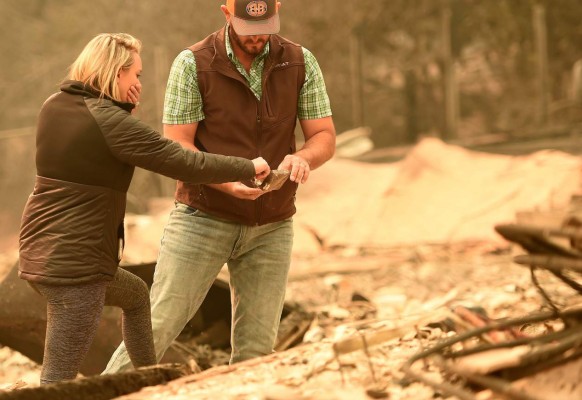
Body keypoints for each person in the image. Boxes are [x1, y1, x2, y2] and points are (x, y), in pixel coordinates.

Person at [18, 32, 270, 385]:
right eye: (135, 75)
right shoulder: (110, 121)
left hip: (39, 252)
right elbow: (183, 162)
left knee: (136, 296)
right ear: (116, 73)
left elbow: (96, 146)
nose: (138, 82)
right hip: (77, 266)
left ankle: (150, 381)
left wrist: (122, 109)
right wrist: (247, 166)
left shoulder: (55, 106)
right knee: (57, 380)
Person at [104, 0, 336, 373]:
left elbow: (323, 135)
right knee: (157, 326)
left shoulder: (300, 61)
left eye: (267, 25)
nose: (258, 36)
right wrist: (225, 182)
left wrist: (303, 159)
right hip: (202, 217)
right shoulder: (192, 63)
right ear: (226, 14)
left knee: (257, 350)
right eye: (247, 27)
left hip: (272, 224)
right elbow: (178, 144)